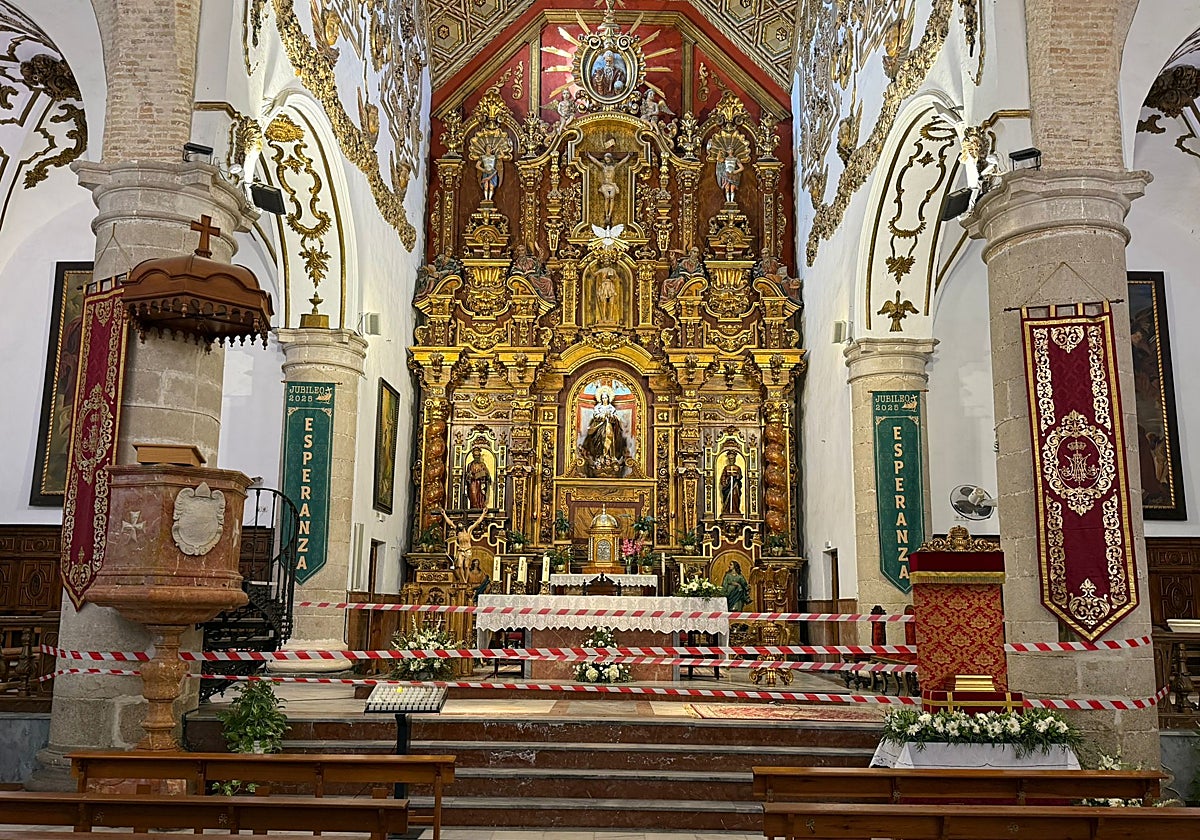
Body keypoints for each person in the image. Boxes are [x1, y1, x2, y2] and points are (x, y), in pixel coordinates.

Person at [580, 389, 627, 476]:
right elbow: (595, 416)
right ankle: (600, 457)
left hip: (609, 427)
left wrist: (611, 416)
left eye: (606, 397)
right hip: (599, 428)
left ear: (609, 399)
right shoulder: (598, 407)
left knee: (610, 440)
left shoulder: (611, 408)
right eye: (603, 397)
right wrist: (601, 416)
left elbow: (617, 419)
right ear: (601, 399)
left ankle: (610, 457)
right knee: (600, 441)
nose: (604, 399)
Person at [439, 507, 488, 584]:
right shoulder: (458, 532)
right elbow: (450, 523)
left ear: (463, 525)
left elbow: (477, 522)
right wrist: (444, 514)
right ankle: (463, 580)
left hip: (468, 550)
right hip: (461, 550)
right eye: (458, 525)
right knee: (460, 565)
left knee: (466, 566)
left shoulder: (469, 531)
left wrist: (483, 513)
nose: (459, 526)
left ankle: (466, 579)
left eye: (460, 524)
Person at [585, 150, 632, 225]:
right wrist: (589, 156)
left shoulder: (614, 166)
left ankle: (609, 215)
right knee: (607, 197)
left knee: (612, 198)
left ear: (610, 159)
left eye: (608, 159)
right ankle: (606, 214)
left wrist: (628, 156)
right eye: (605, 160)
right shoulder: (603, 166)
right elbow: (596, 162)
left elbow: (622, 162)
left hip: (612, 185)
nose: (606, 161)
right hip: (605, 185)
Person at [464, 445, 491, 510]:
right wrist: (469, 476)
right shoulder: (470, 465)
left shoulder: (482, 465)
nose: (476, 457)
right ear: (473, 456)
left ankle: (480, 508)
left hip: (480, 483)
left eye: (478, 456)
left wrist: (484, 474)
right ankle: (473, 509)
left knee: (480, 497)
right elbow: (467, 476)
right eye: (475, 456)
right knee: (473, 496)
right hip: (472, 484)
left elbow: (488, 475)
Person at [719, 450, 743, 517]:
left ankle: (735, 510)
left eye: (733, 459)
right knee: (728, 497)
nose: (731, 460)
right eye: (730, 459)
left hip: (735, 485)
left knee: (735, 496)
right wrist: (724, 483)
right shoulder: (726, 468)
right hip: (728, 486)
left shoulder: (737, 468)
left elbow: (740, 476)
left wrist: (737, 477)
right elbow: (723, 477)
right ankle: (727, 510)